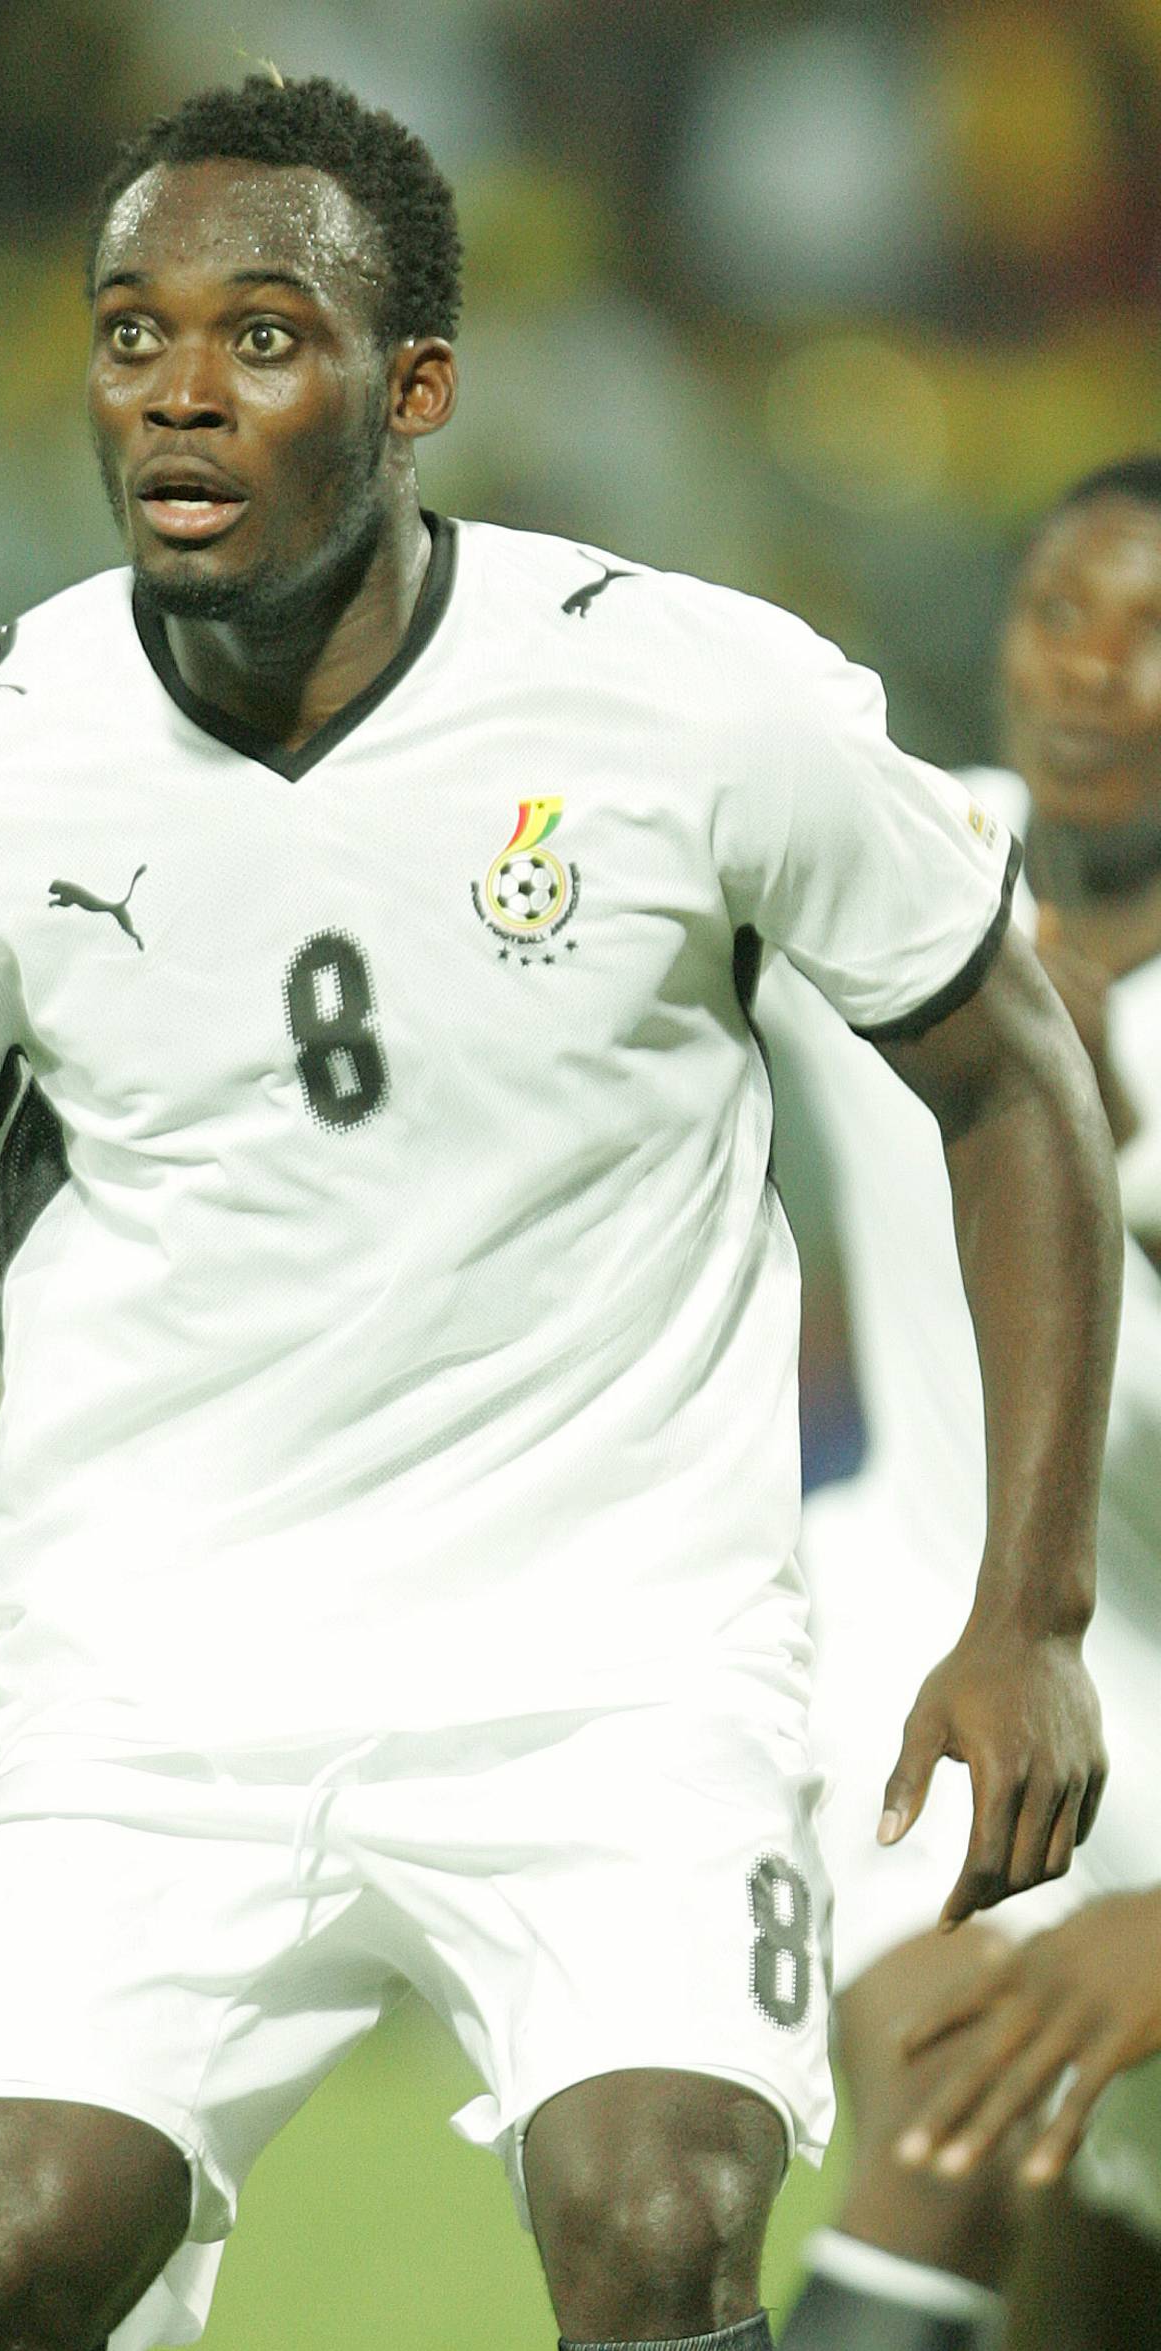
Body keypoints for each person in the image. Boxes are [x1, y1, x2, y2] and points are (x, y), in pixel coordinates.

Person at [0, 76, 1120, 2351]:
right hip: (151, 1681)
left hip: (610, 1673)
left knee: (657, 2218)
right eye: (128, 331)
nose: (178, 389)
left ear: (415, 389)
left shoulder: (693, 700)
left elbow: (1006, 1078)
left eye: (263, 335)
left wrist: (1024, 1606)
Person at [759, 458, 1161, 2351]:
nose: (1095, 675)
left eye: (1159, 636)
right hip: (938, 1668)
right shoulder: (916, 874)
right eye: (1059, 615)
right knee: (956, 2116)